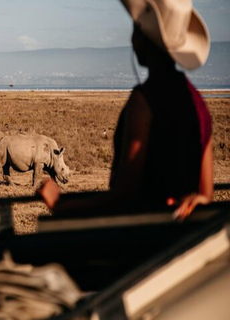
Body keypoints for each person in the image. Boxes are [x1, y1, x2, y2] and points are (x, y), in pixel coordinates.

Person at [37, 0, 214, 220]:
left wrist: (62, 204)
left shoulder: (145, 101)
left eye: (136, 30)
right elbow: (206, 194)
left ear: (145, 39)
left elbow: (125, 195)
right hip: (182, 235)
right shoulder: (199, 104)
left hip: (143, 233)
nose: (132, 40)